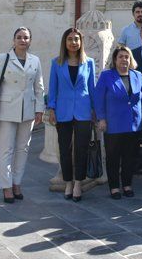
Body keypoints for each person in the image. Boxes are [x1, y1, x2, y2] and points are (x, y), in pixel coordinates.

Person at [0, 27, 44, 203]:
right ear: (13, 40)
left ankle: (17, 183)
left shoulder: (35, 60)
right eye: (19, 37)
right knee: (6, 149)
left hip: (27, 110)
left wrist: (40, 109)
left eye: (26, 37)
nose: (23, 40)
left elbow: (39, 87)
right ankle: (6, 186)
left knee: (23, 149)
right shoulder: (4, 58)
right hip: (7, 109)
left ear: (30, 41)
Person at [47, 28, 96, 202]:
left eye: (76, 39)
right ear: (65, 42)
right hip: (63, 110)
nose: (73, 42)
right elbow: (53, 88)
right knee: (65, 149)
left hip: (83, 111)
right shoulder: (56, 63)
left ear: (81, 42)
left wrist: (95, 110)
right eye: (70, 39)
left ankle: (78, 183)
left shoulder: (88, 62)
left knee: (82, 149)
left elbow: (92, 88)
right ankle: (68, 181)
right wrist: (51, 109)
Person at [95, 46, 142, 199]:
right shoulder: (106, 76)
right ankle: (114, 187)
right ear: (115, 59)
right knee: (113, 157)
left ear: (130, 59)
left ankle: (127, 184)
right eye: (121, 57)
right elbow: (99, 99)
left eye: (127, 56)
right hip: (113, 124)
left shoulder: (137, 75)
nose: (124, 59)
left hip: (133, 124)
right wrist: (101, 118)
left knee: (129, 157)